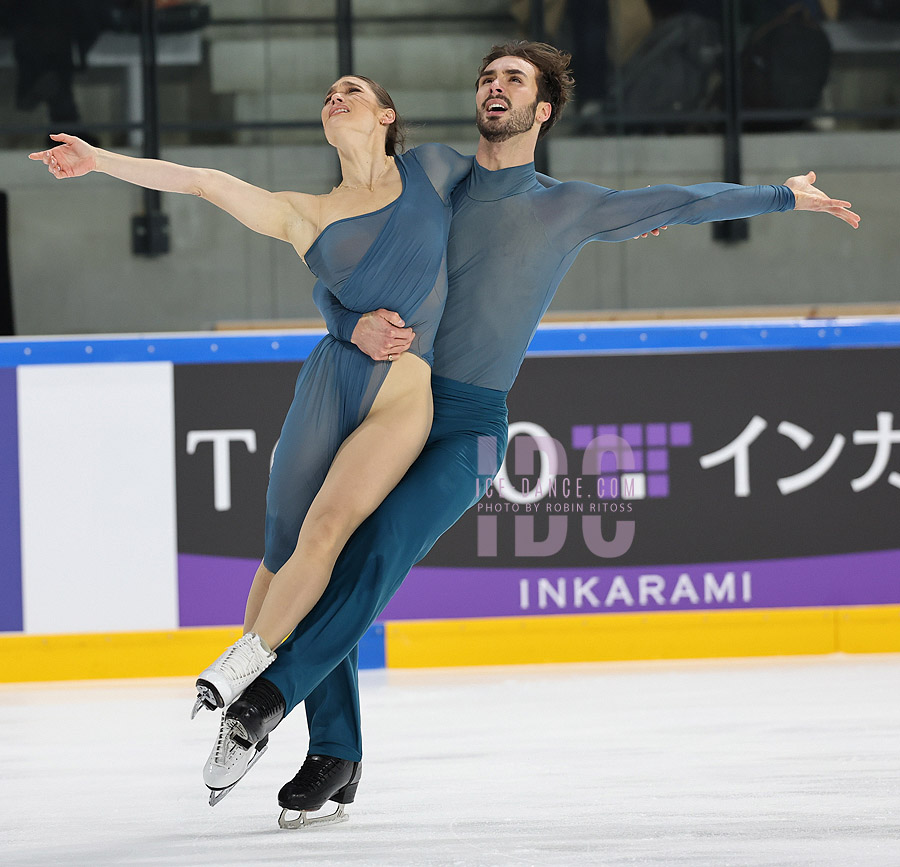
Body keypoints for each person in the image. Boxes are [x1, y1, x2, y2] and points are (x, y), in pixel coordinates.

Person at [203, 41, 858, 829]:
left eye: (514, 79)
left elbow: (680, 201)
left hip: (470, 428)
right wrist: (348, 320)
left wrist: (781, 196)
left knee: (378, 552)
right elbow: (334, 268)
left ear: (542, 109)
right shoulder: (432, 177)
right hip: (387, 403)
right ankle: (334, 751)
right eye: (487, 76)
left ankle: (268, 698)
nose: (495, 87)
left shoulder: (567, 205)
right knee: (326, 546)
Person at [27, 73, 474, 765]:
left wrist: (622, 217)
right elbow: (203, 180)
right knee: (280, 545)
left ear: (387, 114)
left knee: (329, 529)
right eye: (328, 91)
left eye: (352, 89)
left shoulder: (435, 168)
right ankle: (243, 710)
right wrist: (100, 160)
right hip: (331, 380)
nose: (336, 96)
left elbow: (517, 196)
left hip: (403, 394)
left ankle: (254, 667)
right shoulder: (306, 213)